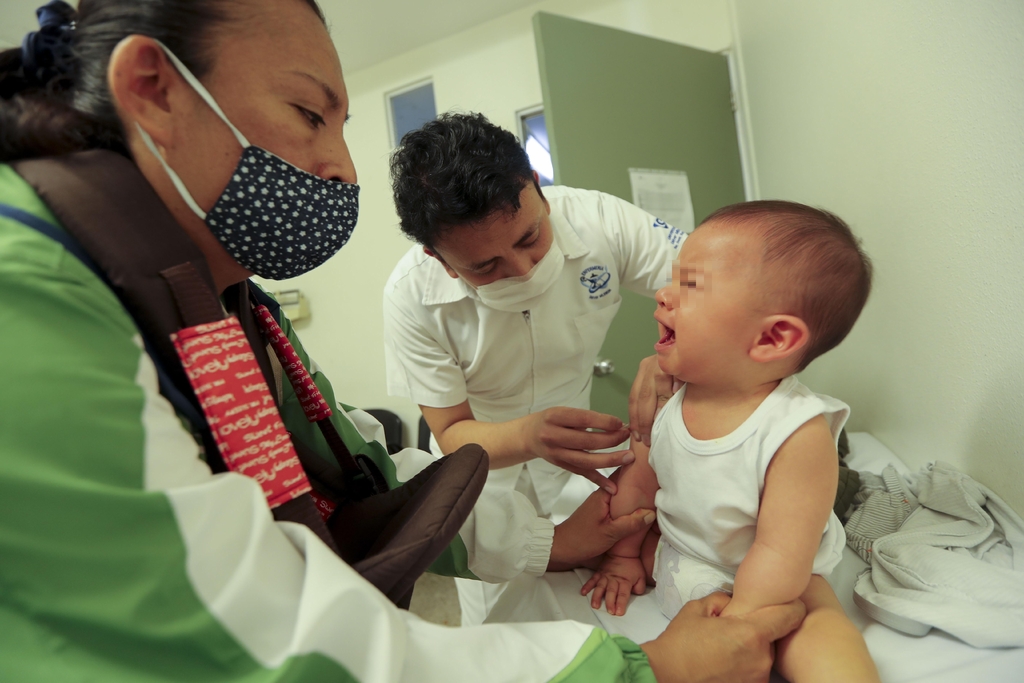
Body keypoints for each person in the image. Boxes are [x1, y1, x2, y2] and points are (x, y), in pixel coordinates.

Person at [0, 1, 806, 681]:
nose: (342, 168)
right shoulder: (30, 296)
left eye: (341, 124)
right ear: (153, 90)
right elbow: (265, 639)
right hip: (499, 464)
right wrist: (643, 664)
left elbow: (368, 482)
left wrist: (662, 370)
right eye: (309, 114)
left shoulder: (228, 306)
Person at [385, 112, 683, 622]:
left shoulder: (600, 220)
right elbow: (451, 431)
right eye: (485, 266)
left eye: (529, 238)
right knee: (502, 628)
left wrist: (672, 350)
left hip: (579, 473)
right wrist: (528, 436)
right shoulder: (411, 297)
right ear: (439, 259)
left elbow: (715, 280)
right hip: (481, 483)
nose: (523, 271)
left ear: (539, 190)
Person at [583, 201, 881, 681]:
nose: (663, 295)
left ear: (772, 338)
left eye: (690, 284)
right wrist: (621, 557)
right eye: (673, 278)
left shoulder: (795, 430)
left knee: (815, 626)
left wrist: (740, 623)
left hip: (769, 583)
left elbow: (782, 551)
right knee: (615, 536)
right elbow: (638, 485)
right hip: (680, 554)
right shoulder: (667, 398)